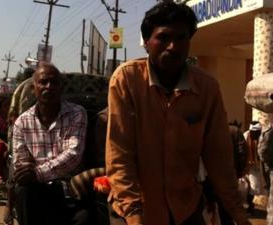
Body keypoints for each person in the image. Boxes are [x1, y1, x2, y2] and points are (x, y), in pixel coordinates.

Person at [105, 1, 251, 225]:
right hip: (134, 207)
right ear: (146, 42)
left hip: (185, 207)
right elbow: (119, 155)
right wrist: (134, 214)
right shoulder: (126, 80)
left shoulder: (207, 88)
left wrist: (238, 214)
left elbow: (219, 158)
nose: (173, 46)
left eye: (181, 38)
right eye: (163, 37)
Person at [12, 62, 89, 225]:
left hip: (71, 190)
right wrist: (28, 173)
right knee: (22, 191)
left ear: (61, 88)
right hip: (37, 190)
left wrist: (37, 173)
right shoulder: (22, 122)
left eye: (54, 83)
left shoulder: (77, 113)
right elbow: (22, 163)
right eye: (43, 82)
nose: (49, 86)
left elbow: (73, 155)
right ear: (34, 88)